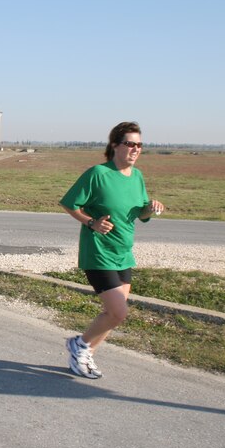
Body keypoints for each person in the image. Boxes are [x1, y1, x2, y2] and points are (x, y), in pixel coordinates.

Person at [59, 121, 165, 379]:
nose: (135, 149)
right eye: (130, 143)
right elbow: (70, 203)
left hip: (123, 253)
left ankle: (84, 356)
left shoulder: (137, 176)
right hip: (98, 252)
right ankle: (80, 346)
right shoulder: (98, 173)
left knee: (113, 314)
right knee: (118, 312)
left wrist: (150, 209)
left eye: (139, 145)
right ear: (115, 145)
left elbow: (139, 211)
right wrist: (91, 223)